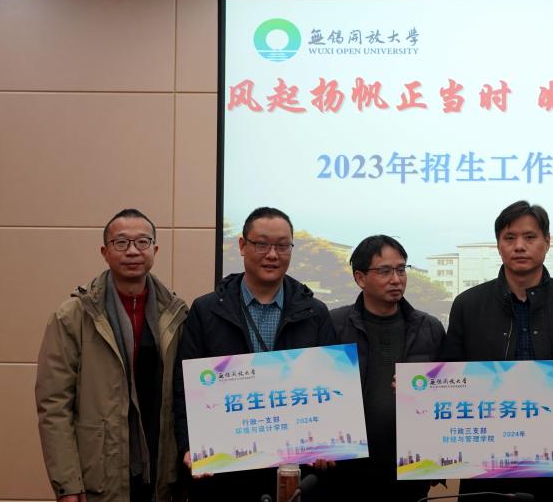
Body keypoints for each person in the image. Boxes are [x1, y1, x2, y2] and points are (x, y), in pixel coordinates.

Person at [173, 207, 336, 501]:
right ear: (242, 245)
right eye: (261, 244)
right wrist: (189, 445)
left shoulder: (315, 313)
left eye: (282, 246)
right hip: (225, 474)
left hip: (292, 470)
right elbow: (185, 387)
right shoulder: (206, 310)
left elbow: (331, 386)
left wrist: (329, 441)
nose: (272, 254)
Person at [442, 200, 553, 502]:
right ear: (498, 245)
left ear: (547, 242)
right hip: (486, 453)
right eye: (509, 238)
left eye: (530, 237)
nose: (519, 246)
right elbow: (451, 373)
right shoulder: (468, 304)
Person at [36, 208, 188, 502]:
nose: (132, 251)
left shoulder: (176, 313)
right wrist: (67, 483)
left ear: (155, 250)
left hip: (161, 470)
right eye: (121, 243)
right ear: (105, 252)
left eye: (142, 242)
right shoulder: (74, 316)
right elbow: (54, 406)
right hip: (100, 470)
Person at [322, 234, 445, 502]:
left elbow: (449, 393)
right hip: (346, 472)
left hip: (408, 470)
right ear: (360, 278)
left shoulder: (430, 328)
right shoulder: (334, 324)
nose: (396, 279)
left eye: (401, 269)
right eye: (385, 271)